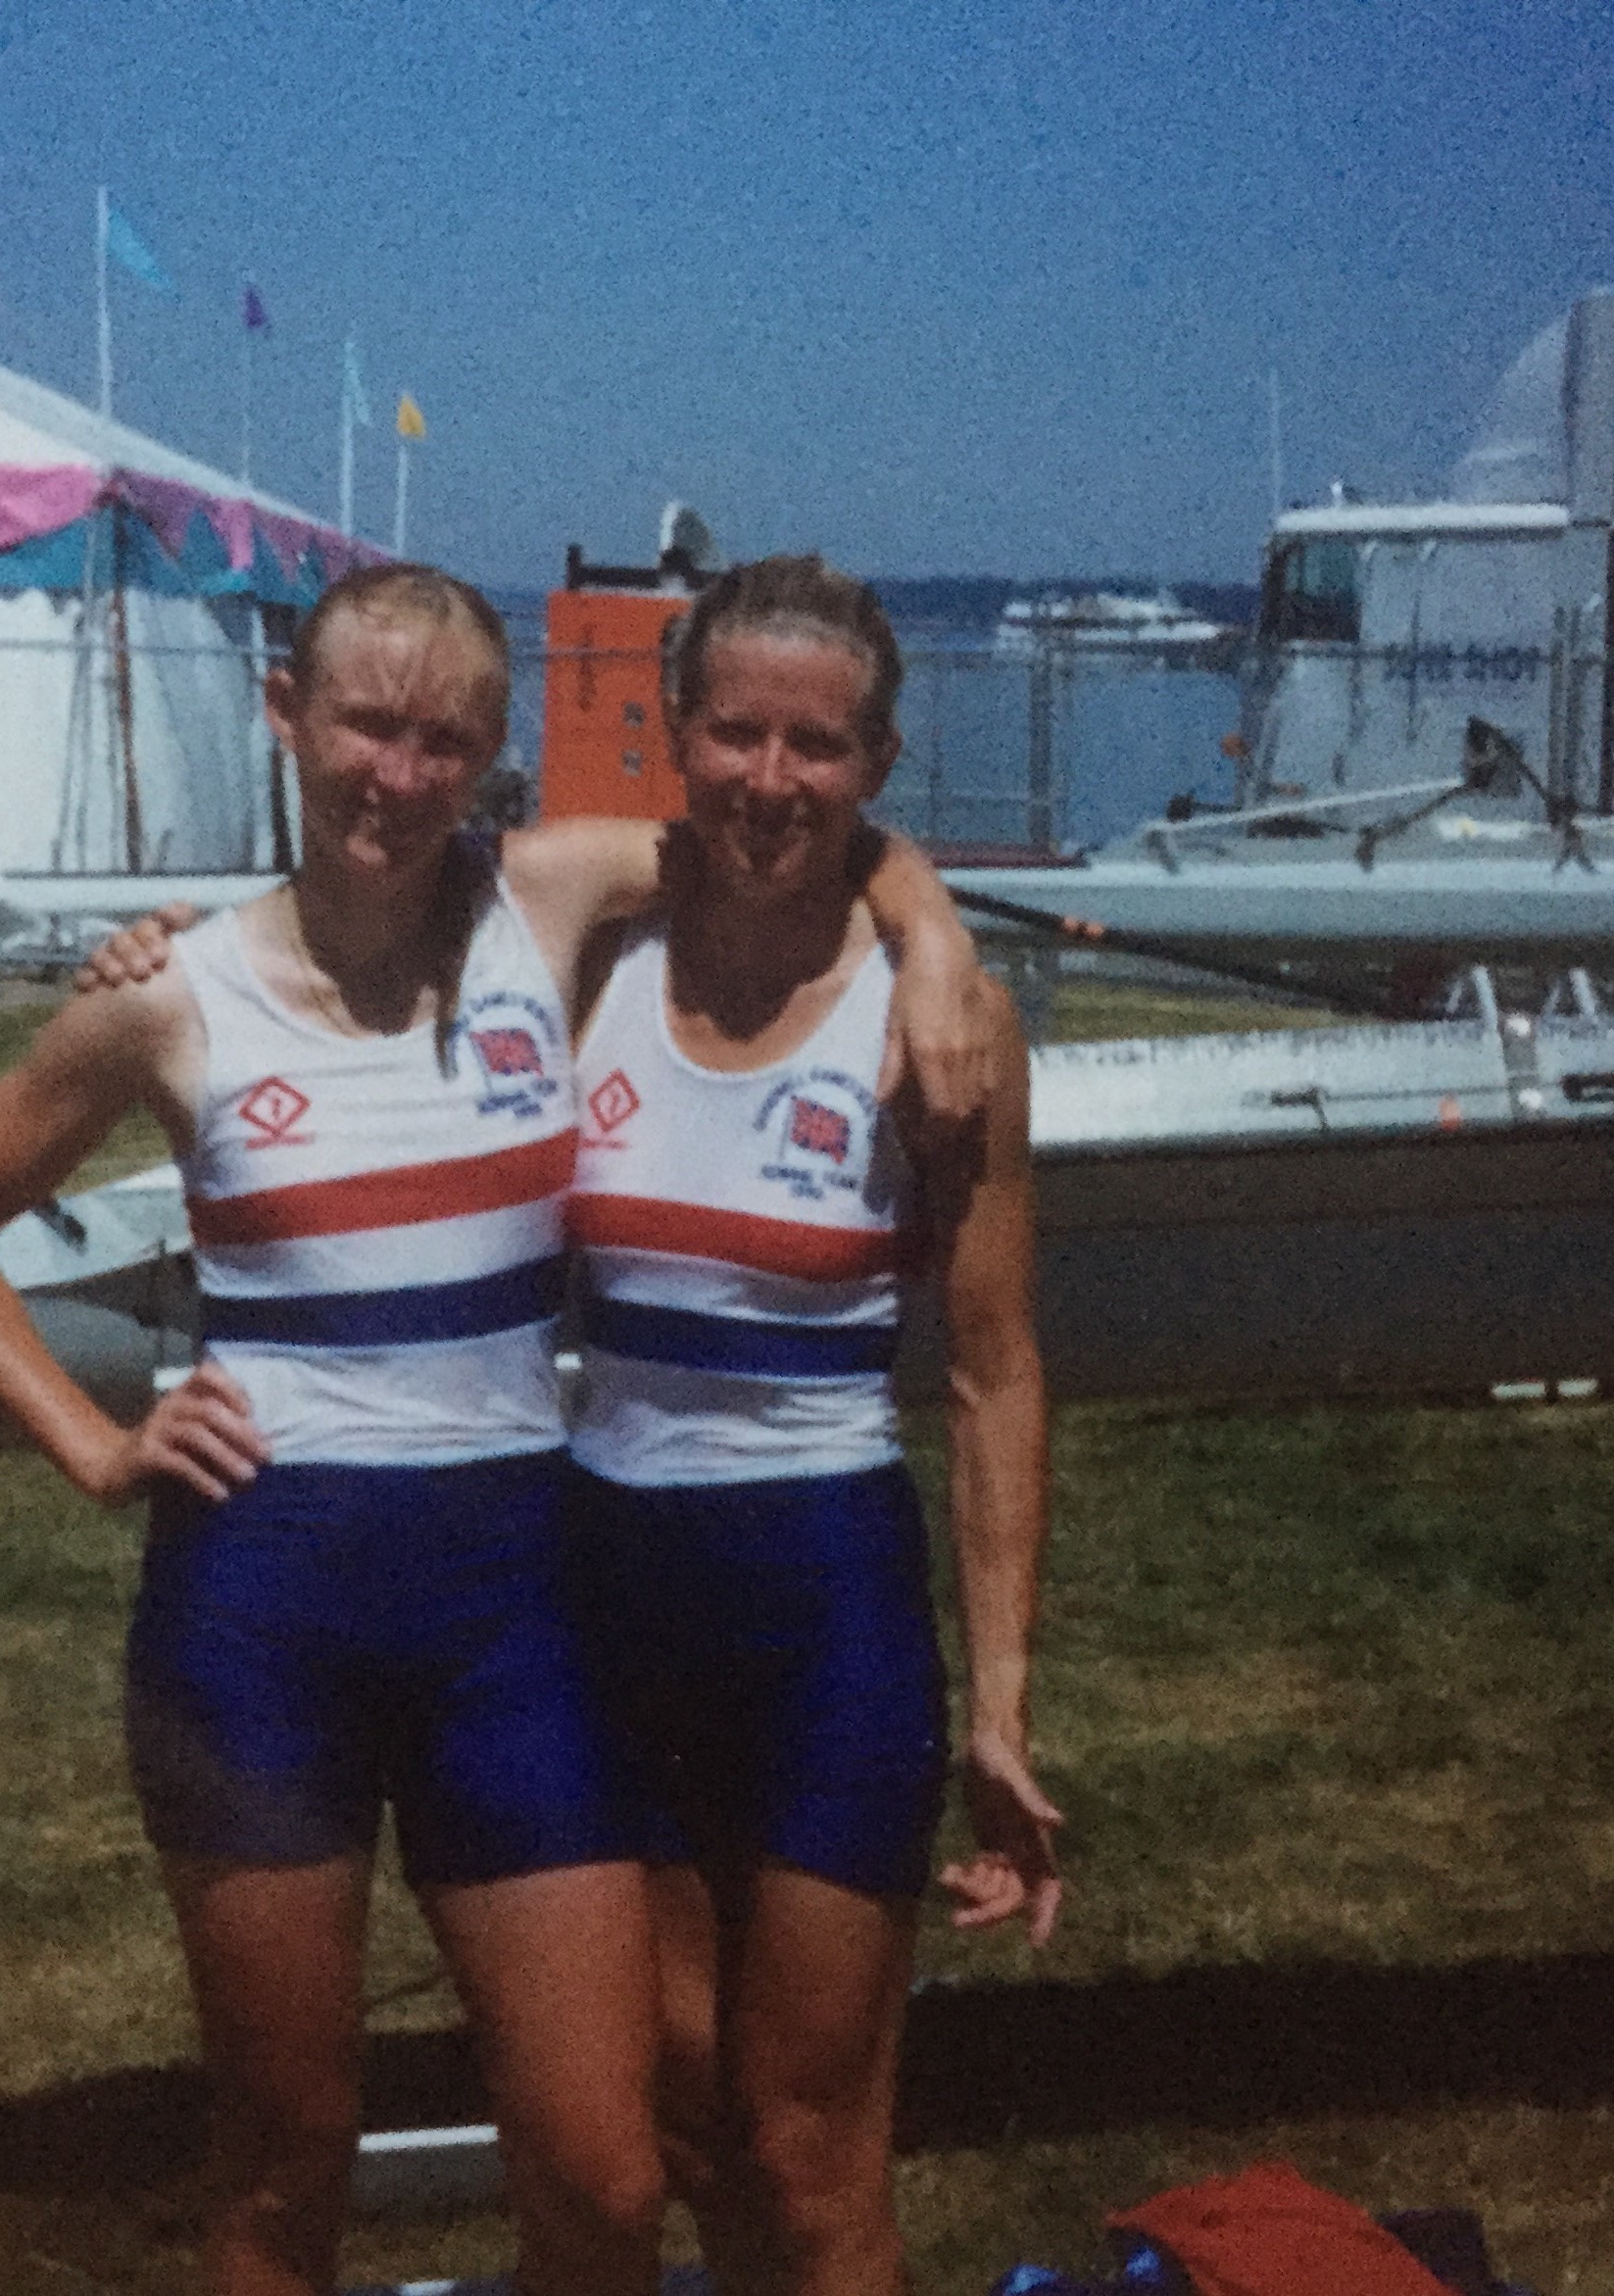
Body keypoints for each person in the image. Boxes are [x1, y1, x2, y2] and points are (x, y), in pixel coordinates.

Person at [0, 562, 991, 2296]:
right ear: (285, 717)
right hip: (261, 1618)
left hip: (508, 1619)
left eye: (443, 739)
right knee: (280, 2158)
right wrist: (94, 1443)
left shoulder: (538, 899)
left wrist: (929, 936)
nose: (395, 773)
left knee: (609, 2172)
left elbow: (810, 817)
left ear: (489, 761)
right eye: (362, 725)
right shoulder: (169, 991)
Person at [563, 556, 1058, 2296]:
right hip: (608, 1594)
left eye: (816, 744)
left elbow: (993, 1369)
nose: (770, 777)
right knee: (682, 2121)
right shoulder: (585, 954)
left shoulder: (939, 1020)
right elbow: (358, 914)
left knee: (813, 2145)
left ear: (876, 764)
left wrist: (996, 1700)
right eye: (734, 731)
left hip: (818, 1610)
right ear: (672, 733)